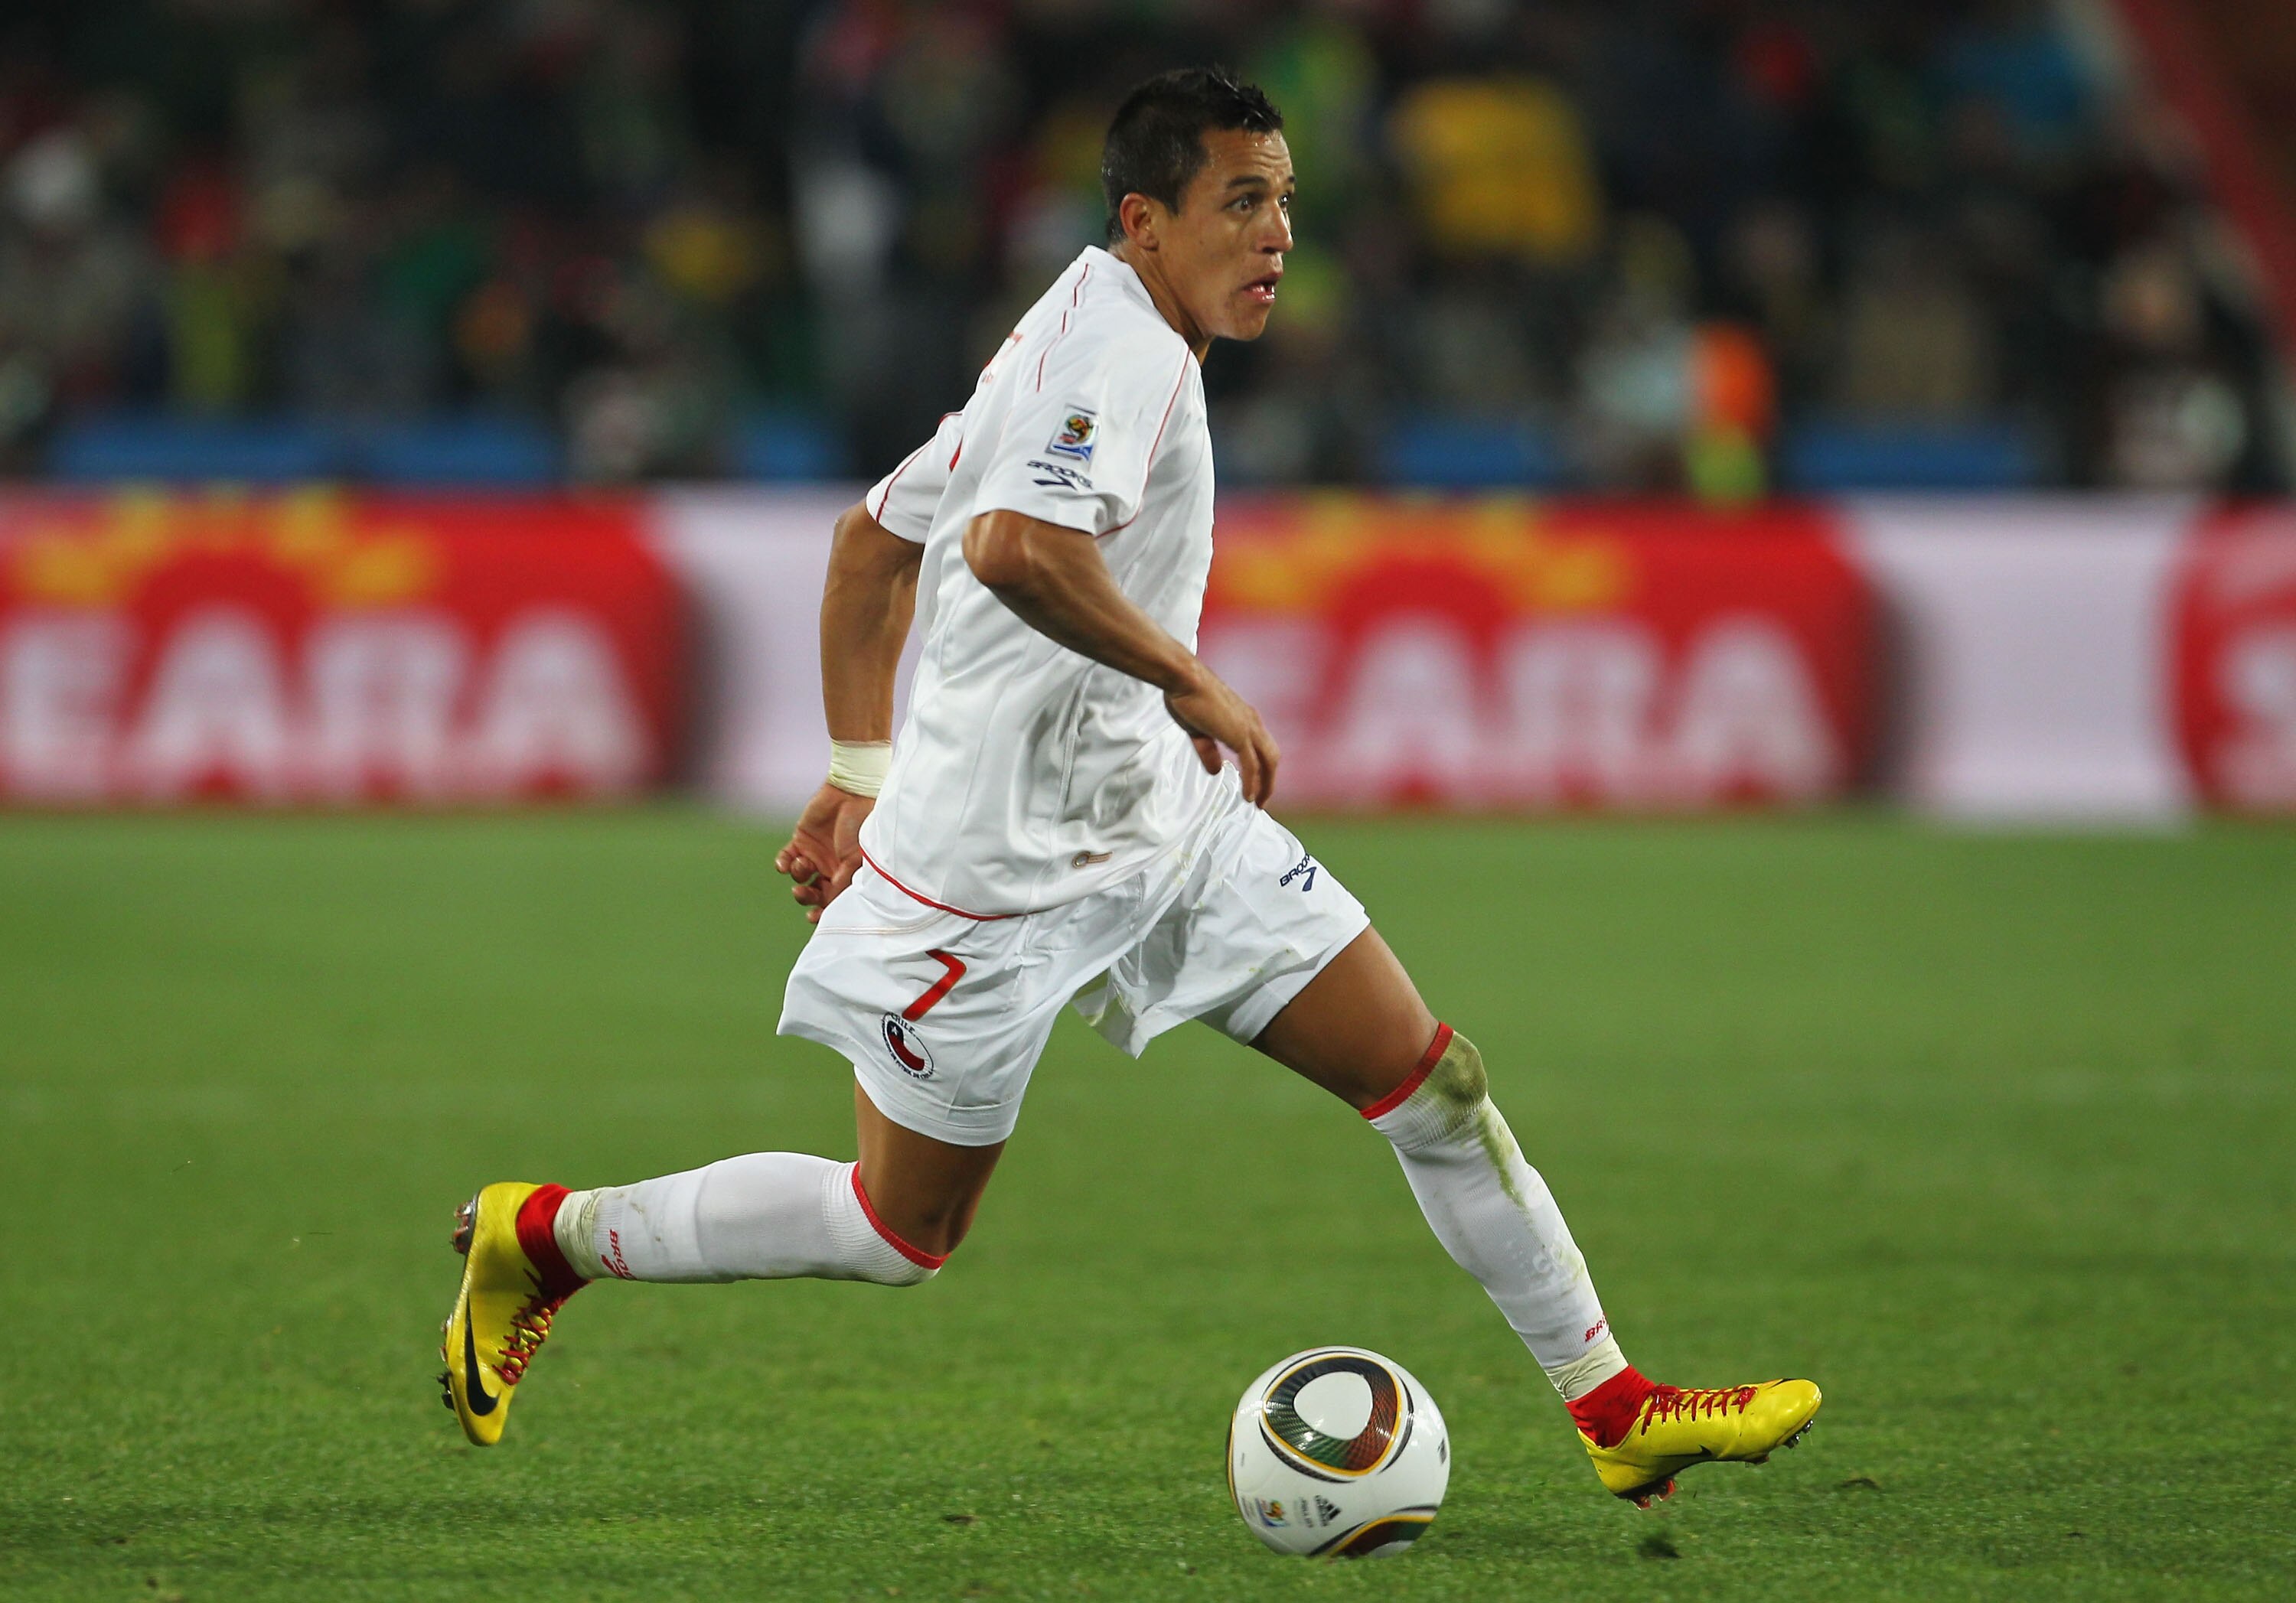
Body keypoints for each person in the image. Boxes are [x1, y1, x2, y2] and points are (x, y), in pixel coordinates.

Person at [437, 67, 1820, 1509]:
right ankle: (549, 1237)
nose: (1277, 235)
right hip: (991, 874)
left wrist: (854, 771)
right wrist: (1188, 678)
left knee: (1430, 1082)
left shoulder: (1080, 332)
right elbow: (1012, 552)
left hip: (1159, 825)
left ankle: (1612, 1404)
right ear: (1144, 220)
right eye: (1240, 203)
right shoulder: (1120, 360)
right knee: (894, 1230)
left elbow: (868, 545)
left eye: (1284, 202)